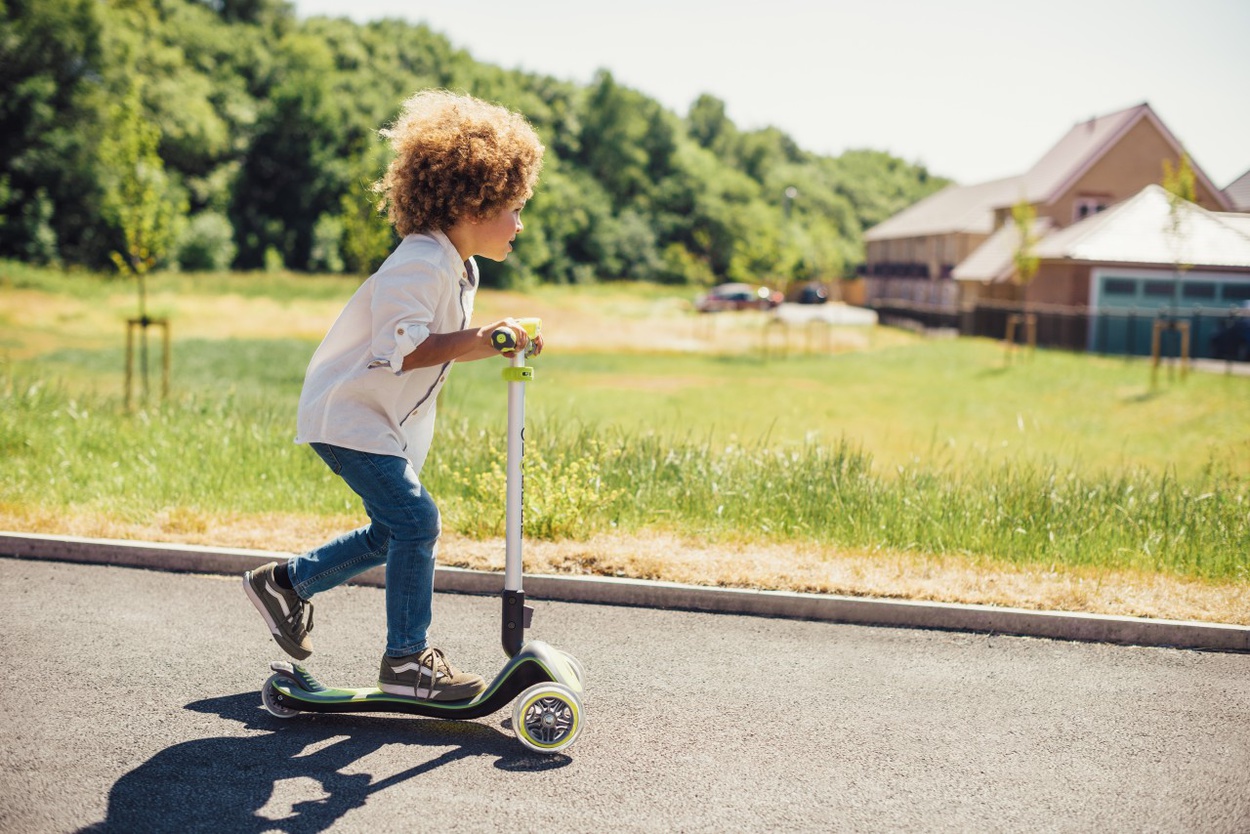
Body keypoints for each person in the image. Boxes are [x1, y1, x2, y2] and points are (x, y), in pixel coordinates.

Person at [243, 90, 545, 702]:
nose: (519, 224)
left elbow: (444, 342)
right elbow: (401, 346)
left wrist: (498, 343)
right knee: (416, 520)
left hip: (376, 420)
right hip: (349, 413)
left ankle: (287, 585)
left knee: (393, 530)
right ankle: (407, 662)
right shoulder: (421, 260)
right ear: (471, 201)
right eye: (513, 208)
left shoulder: (459, 266)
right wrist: (481, 336)